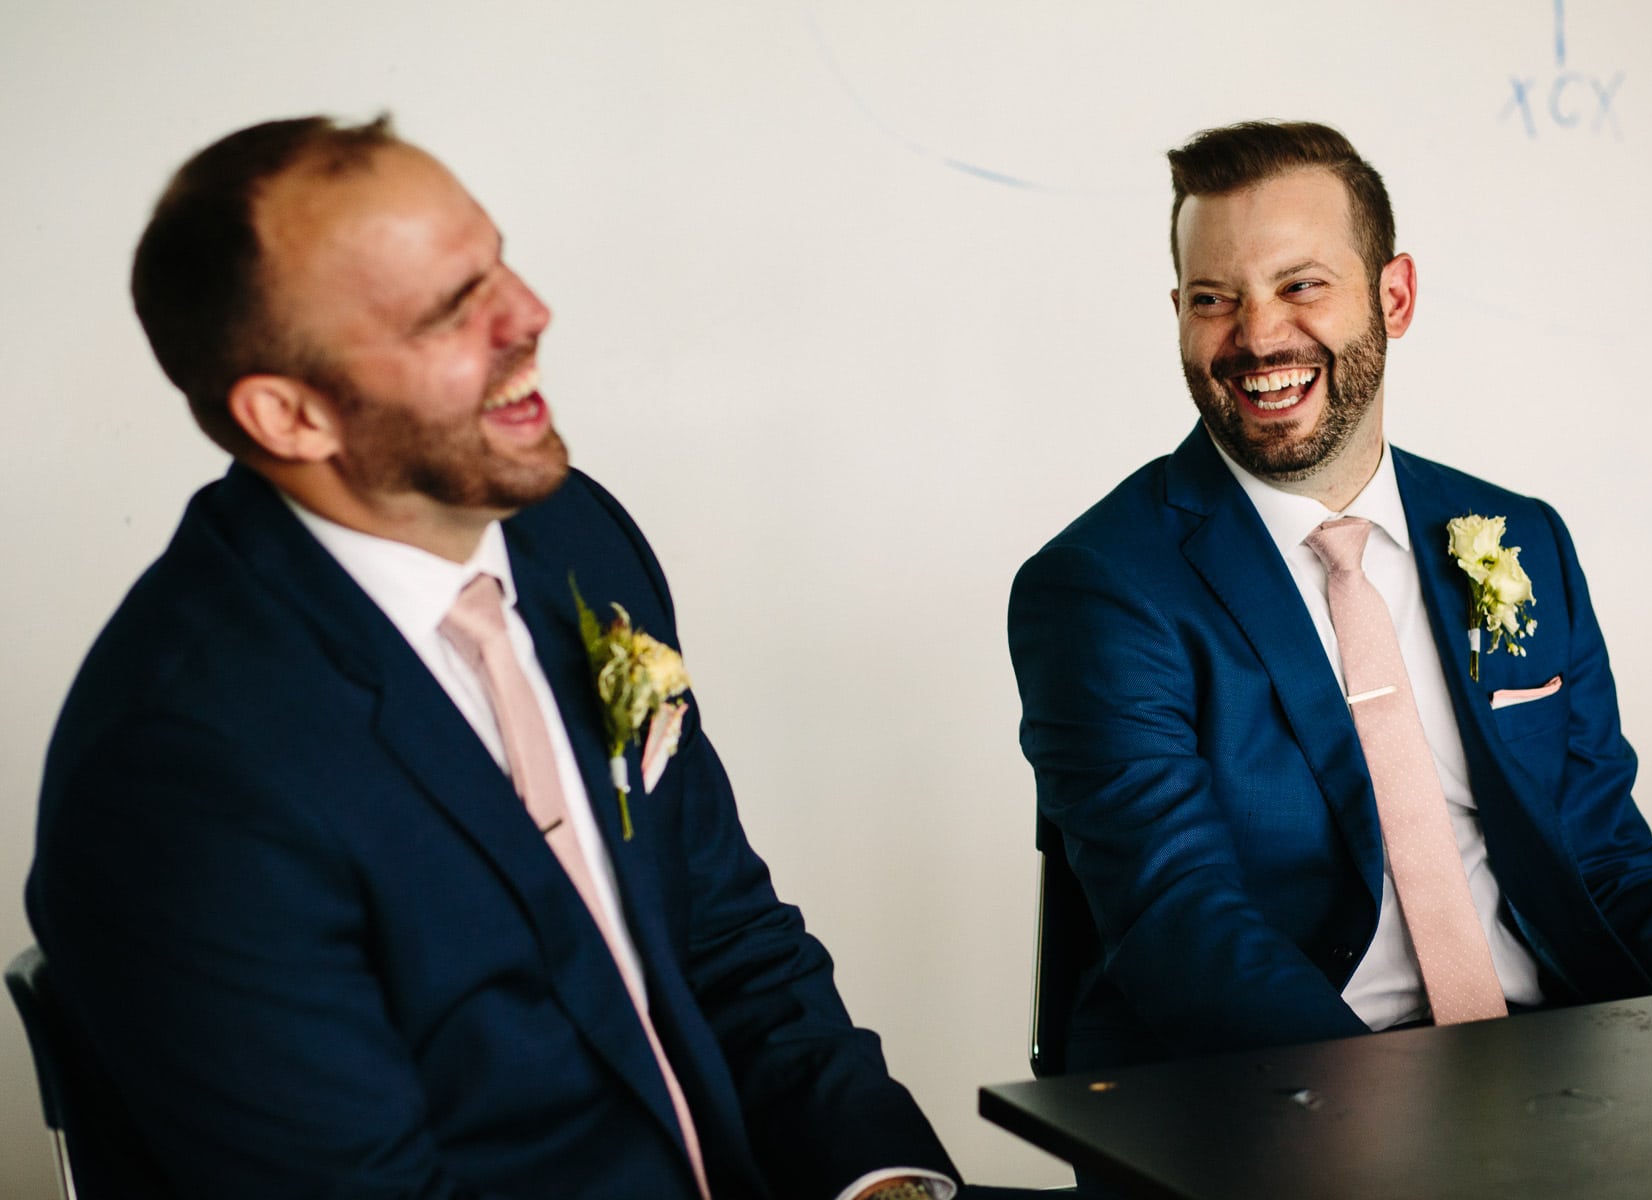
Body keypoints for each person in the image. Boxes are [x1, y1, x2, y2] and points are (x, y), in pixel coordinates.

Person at [26, 114, 962, 1200]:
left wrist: (877, 1179)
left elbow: (727, 936)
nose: (530, 315)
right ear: (289, 414)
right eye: (449, 311)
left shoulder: (575, 536)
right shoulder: (178, 774)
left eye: (497, 262)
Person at [1007, 120, 1652, 1073]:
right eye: (1213, 299)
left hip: (1555, 1066)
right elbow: (1181, 928)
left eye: (1301, 285)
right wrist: (1414, 1136)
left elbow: (1605, 859)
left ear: (1393, 296)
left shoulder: (1519, 538)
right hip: (1270, 1096)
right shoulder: (1100, 589)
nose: (1258, 334)